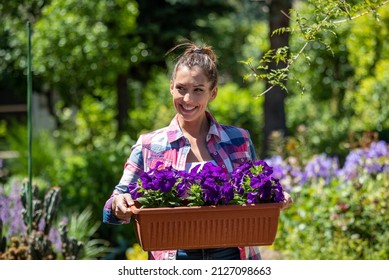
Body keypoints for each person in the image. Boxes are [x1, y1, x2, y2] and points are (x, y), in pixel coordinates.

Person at [103, 41, 292, 260]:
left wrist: (276, 196)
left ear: (213, 93)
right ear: (171, 87)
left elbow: (257, 192)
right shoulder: (149, 144)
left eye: (198, 90)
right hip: (175, 257)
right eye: (181, 89)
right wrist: (119, 203)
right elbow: (114, 201)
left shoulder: (238, 139)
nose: (188, 99)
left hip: (231, 255)